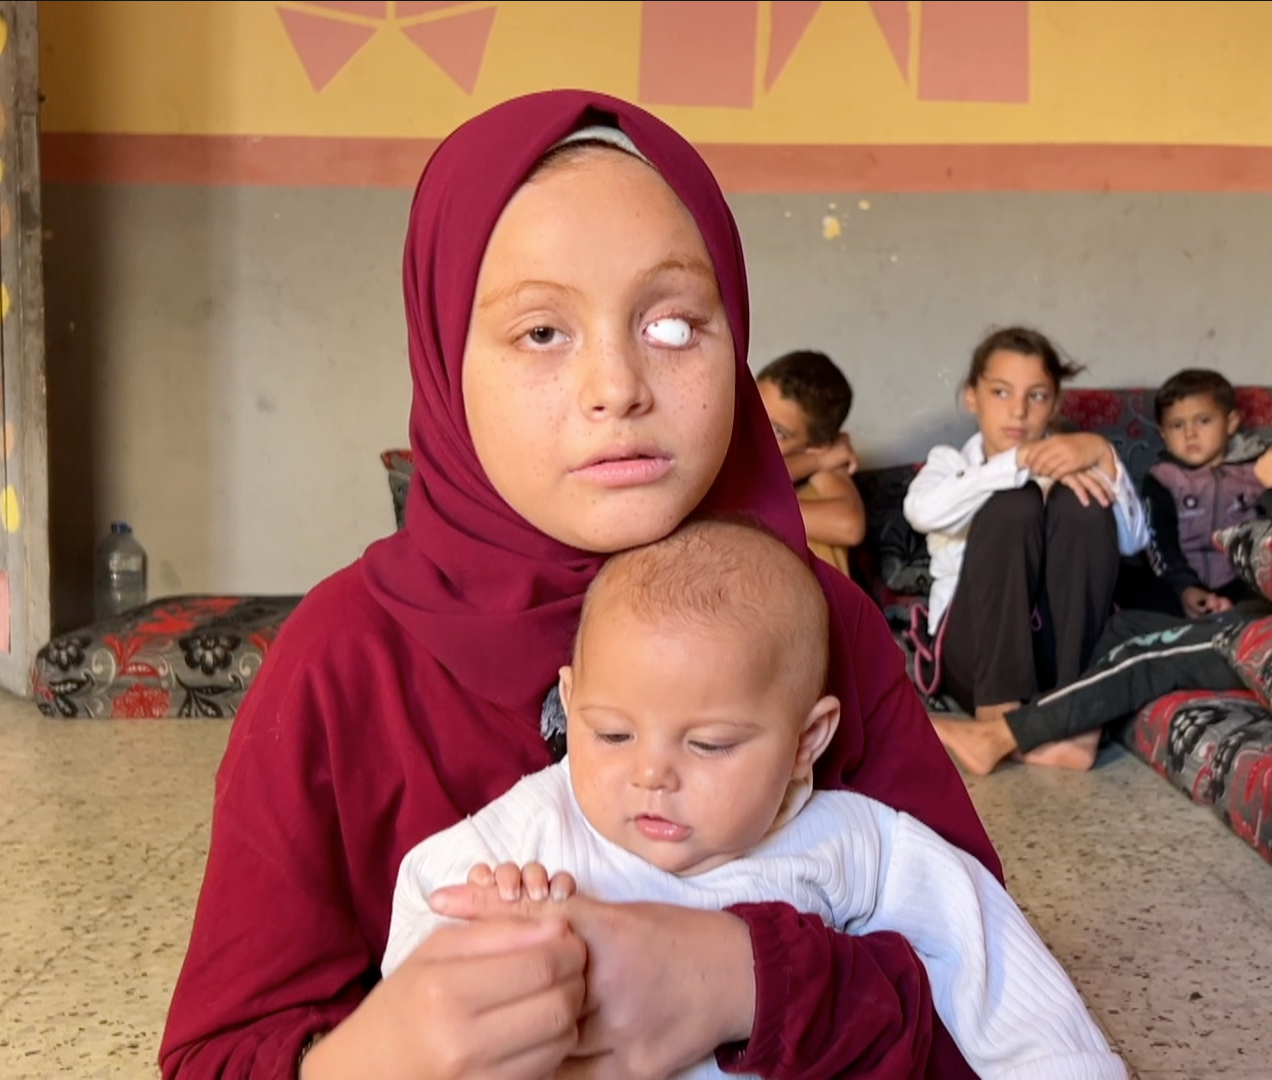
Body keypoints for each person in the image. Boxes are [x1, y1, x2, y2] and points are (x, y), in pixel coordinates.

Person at [158, 91, 1001, 1080]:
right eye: (542, 333)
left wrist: (740, 980)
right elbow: (218, 1053)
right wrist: (362, 1062)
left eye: (677, 325)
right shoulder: (344, 663)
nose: (619, 386)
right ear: (441, 361)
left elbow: (989, 989)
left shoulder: (816, 625)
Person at [384, 517, 1130, 1080]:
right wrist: (484, 927)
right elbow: (424, 929)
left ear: (807, 739)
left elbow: (988, 958)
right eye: (611, 734)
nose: (651, 774)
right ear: (571, 703)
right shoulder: (532, 831)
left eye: (708, 745)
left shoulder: (850, 840)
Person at [932, 344, 1272, 776]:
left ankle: (1002, 737)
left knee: (1155, 654)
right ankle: (1075, 730)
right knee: (1123, 630)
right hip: (1269, 617)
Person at [906, 327, 1151, 772]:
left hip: (1057, 655)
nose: (1018, 410)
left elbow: (1134, 542)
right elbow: (922, 512)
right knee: (1012, 505)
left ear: (1055, 405)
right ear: (971, 396)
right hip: (975, 654)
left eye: (1037, 396)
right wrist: (1018, 464)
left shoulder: (1078, 460)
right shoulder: (951, 463)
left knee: (1081, 502)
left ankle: (1074, 722)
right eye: (1000, 392)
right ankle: (995, 719)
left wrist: (1100, 454)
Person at [1141, 369, 1268, 619]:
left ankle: (1233, 620)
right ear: (1163, 435)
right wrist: (1185, 587)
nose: (1190, 433)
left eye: (1203, 421)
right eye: (1177, 425)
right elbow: (1158, 543)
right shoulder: (1162, 478)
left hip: (1245, 582)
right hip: (1179, 582)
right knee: (1131, 583)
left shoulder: (1259, 471)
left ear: (1231, 423)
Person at [757, 350, 865, 575]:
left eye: (778, 432)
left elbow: (850, 526)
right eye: (753, 409)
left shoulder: (818, 467)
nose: (754, 431)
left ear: (815, 444)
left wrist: (755, 510)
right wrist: (818, 460)